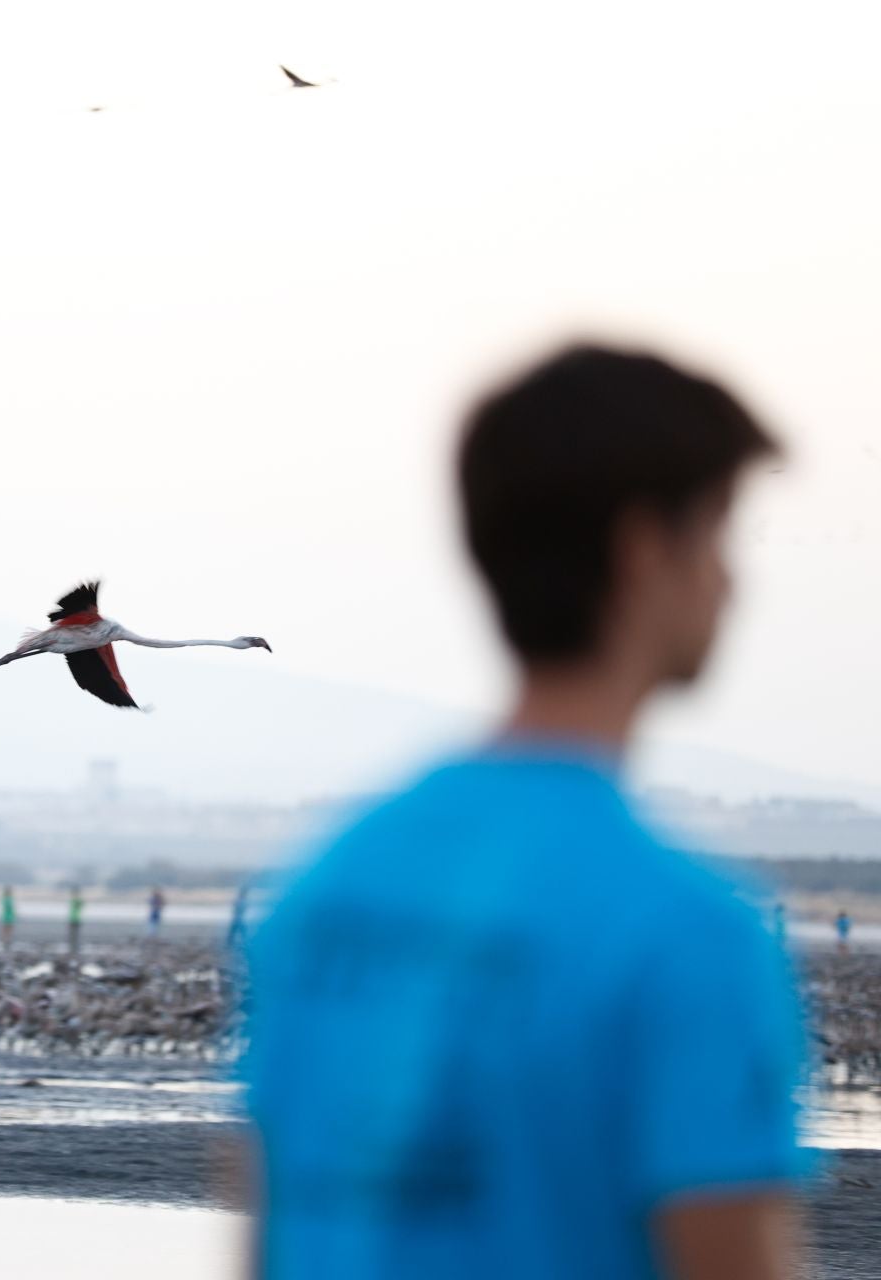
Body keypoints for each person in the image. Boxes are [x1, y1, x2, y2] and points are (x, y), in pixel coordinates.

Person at [242, 346, 806, 1280]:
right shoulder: (690, 931)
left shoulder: (321, 887)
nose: (730, 582)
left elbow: (268, 1240)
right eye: (718, 534)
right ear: (644, 549)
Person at [66, 885, 83, 954]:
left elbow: (80, 905)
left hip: (76, 920)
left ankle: (75, 948)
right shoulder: (72, 901)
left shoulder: (78, 901)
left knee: (75, 935)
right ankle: (72, 948)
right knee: (71, 935)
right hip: (71, 920)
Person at [0, 884, 16, 948]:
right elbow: (9, 908)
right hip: (8, 917)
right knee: (7, 929)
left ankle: (6, 940)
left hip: (7, 917)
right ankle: (6, 940)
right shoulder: (7, 899)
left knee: (6, 929)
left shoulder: (5, 899)